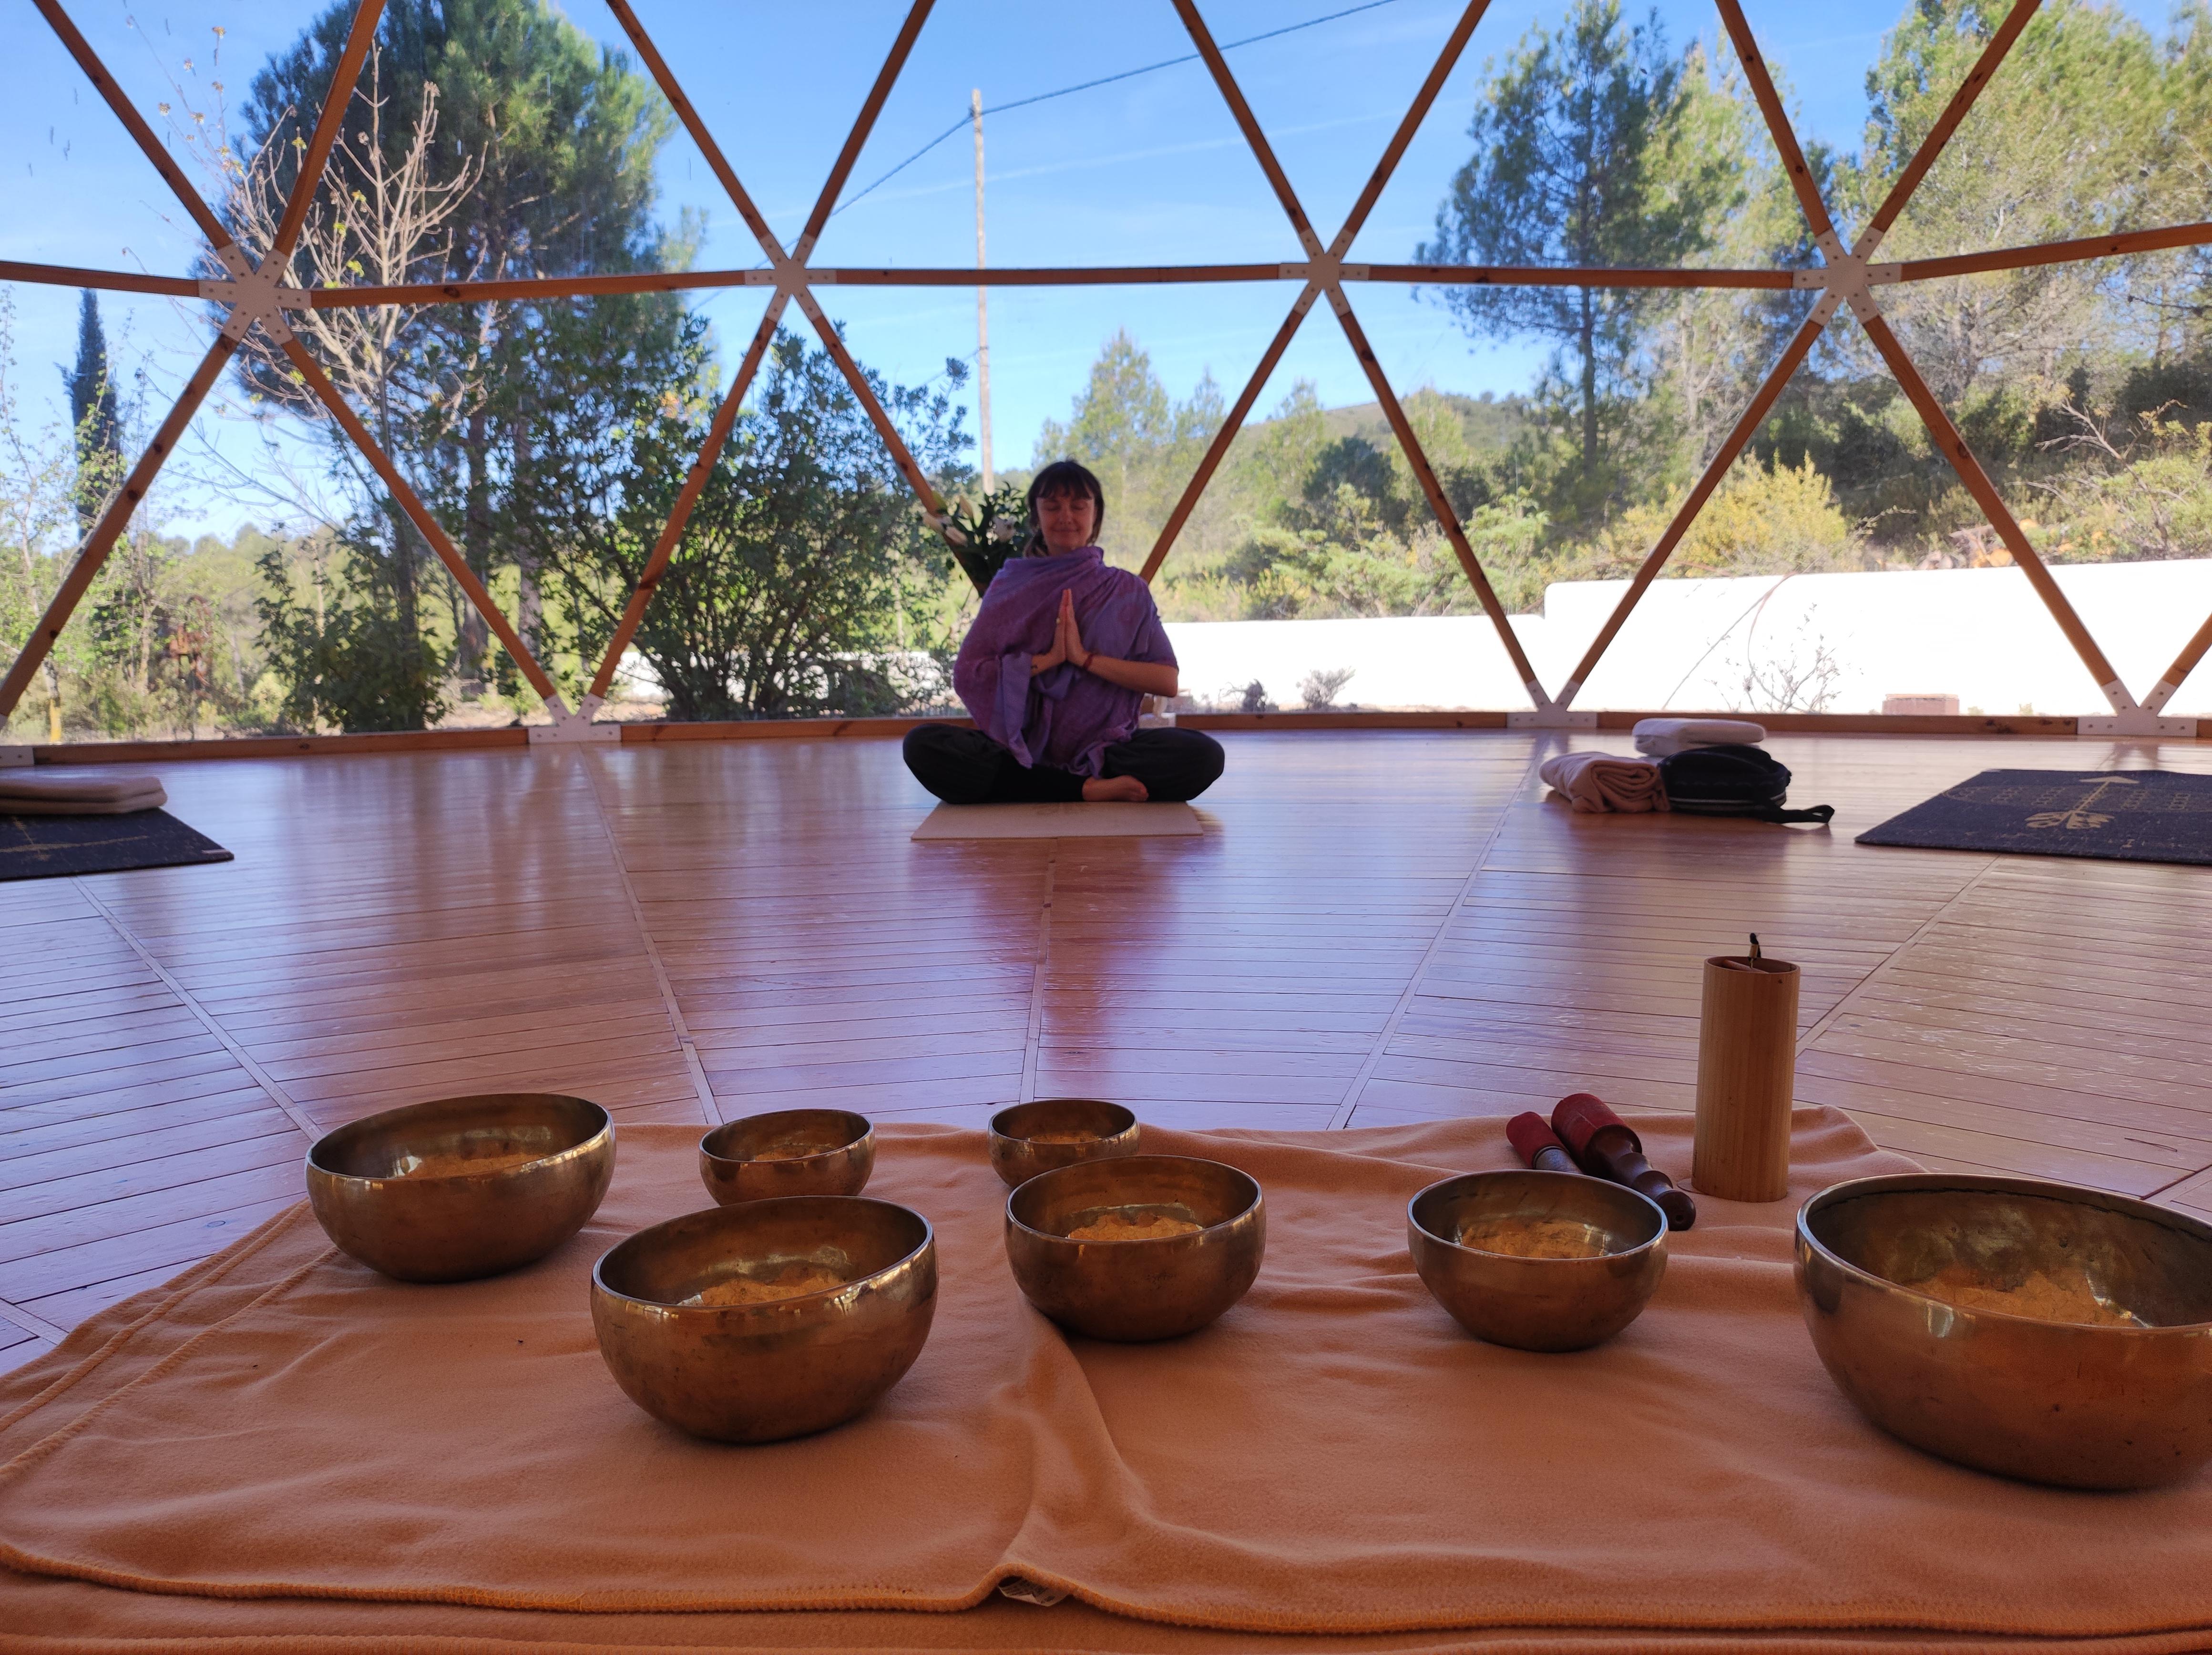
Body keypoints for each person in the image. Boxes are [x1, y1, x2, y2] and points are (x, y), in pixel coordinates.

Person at [904, 460, 1225, 805]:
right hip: (1019, 749)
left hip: (1107, 749)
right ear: (1036, 518)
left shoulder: (1127, 590)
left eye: (1079, 505)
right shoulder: (1011, 585)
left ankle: (1041, 787)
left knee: (1204, 756)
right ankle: (1084, 789)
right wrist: (1049, 660)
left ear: (1095, 516)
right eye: (1052, 507)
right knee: (923, 745)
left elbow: (1166, 681)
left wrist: (1083, 659)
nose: (1066, 516)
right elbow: (969, 674)